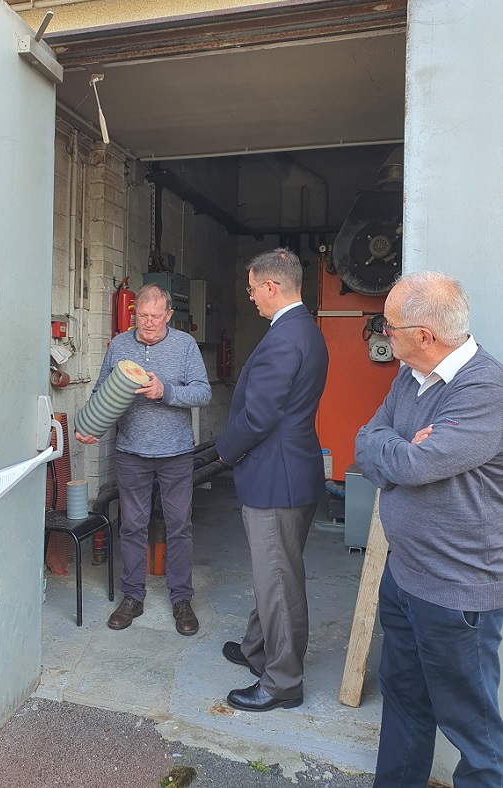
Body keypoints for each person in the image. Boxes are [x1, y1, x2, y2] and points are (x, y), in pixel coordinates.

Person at [355, 271, 503, 787]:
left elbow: (416, 467)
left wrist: (401, 455)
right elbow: (366, 441)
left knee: (474, 731)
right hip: (405, 577)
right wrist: (401, 450)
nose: (382, 335)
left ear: (424, 335)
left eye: (388, 327)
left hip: (457, 593)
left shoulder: (485, 389)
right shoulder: (409, 377)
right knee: (404, 705)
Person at [215, 248, 328, 712]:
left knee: (278, 580)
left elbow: (260, 416)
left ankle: (283, 682)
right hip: (292, 468)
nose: (251, 298)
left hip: (276, 476)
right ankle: (255, 649)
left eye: (251, 289)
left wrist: (224, 450)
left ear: (271, 287)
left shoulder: (284, 337)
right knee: (273, 571)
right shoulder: (307, 330)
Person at [76, 283, 211, 635]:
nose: (148, 323)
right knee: (131, 526)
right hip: (131, 452)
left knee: (179, 526)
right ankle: (132, 597)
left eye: (156, 316)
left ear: (169, 315)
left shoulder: (185, 346)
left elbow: (203, 392)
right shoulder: (120, 344)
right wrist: (91, 426)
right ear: (134, 313)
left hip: (176, 453)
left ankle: (181, 599)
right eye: (142, 316)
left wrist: (164, 391)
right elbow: (101, 391)